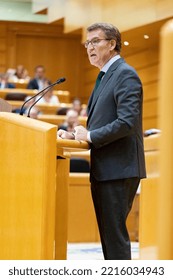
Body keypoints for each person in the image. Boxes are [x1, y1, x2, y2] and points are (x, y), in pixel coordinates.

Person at [58, 22, 146, 260]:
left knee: (114, 238)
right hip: (106, 168)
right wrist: (77, 135)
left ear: (112, 44)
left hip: (118, 169)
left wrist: (91, 135)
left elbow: (126, 122)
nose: (89, 47)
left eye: (95, 41)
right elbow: (101, 125)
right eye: (88, 43)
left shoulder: (125, 74)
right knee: (110, 236)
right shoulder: (105, 76)